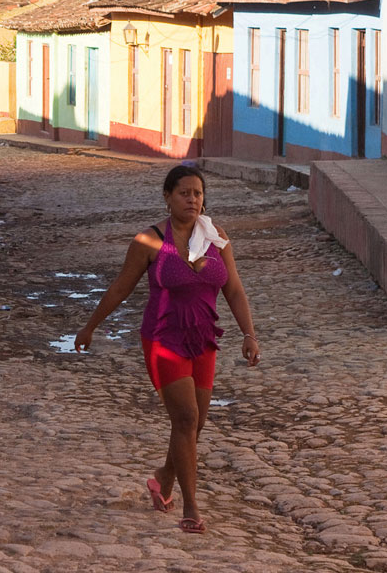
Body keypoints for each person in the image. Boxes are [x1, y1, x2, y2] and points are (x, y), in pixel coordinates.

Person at [73, 165, 260, 535]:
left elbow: (234, 290)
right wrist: (90, 326)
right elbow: (120, 288)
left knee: (195, 424)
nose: (193, 199)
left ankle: (163, 477)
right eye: (184, 193)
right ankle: (190, 508)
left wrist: (249, 334)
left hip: (204, 339)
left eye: (198, 193)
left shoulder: (216, 238)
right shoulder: (149, 241)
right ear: (167, 197)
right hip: (162, 339)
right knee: (187, 419)